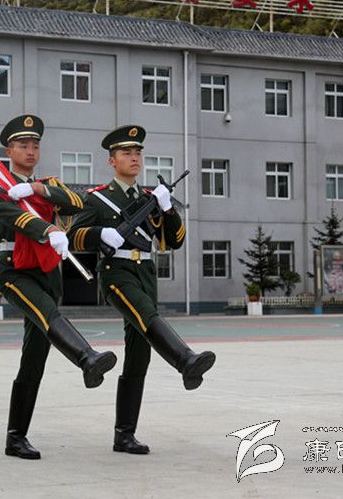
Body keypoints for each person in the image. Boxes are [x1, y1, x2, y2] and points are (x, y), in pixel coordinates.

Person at [67, 125, 216, 455]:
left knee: (139, 354)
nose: (134, 158)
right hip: (117, 273)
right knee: (146, 315)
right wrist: (100, 234)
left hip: (146, 273)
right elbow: (73, 236)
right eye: (126, 153)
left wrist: (167, 208)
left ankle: (124, 435)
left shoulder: (149, 199)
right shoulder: (98, 198)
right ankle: (185, 360)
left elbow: (174, 241)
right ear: (112, 160)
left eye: (137, 153)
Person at [0, 114, 117, 460]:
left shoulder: (48, 185)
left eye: (35, 145)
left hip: (46, 271)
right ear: (9, 150)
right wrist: (47, 229)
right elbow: (14, 218)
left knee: (34, 358)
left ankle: (16, 437)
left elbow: (78, 201)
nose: (30, 151)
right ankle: (86, 357)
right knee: (47, 313)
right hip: (15, 270)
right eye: (22, 145)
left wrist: (38, 190)